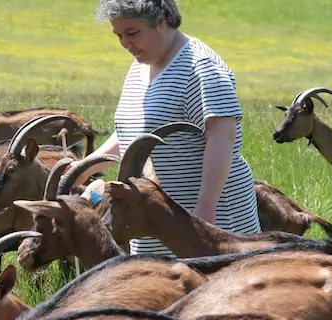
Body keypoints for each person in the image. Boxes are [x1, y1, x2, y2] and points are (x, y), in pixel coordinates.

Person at [78, 0, 260, 256]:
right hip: (156, 222)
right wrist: (85, 168)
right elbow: (133, 134)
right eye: (118, 35)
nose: (125, 44)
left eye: (132, 33)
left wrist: (205, 211)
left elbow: (222, 137)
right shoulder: (141, 65)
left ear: (161, 21)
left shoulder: (201, 67)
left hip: (208, 224)